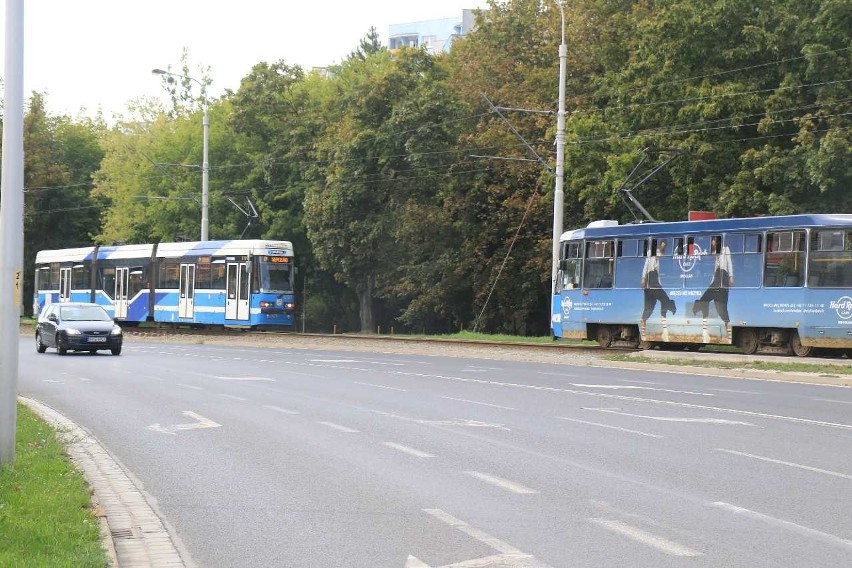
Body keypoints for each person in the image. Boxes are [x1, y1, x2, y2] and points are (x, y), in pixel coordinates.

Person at [693, 236, 733, 338]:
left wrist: (731, 277)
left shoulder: (725, 249)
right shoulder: (716, 253)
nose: (712, 243)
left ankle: (729, 335)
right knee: (707, 302)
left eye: (713, 241)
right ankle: (705, 331)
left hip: (723, 276)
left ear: (717, 241)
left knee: (722, 309)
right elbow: (715, 269)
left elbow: (729, 263)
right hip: (716, 278)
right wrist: (711, 283)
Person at [640, 239, 676, 336]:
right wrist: (643, 278)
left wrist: (660, 284)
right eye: (662, 246)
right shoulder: (651, 254)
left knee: (660, 301)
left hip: (655, 282)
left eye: (664, 247)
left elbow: (658, 273)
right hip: (650, 281)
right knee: (650, 307)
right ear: (659, 246)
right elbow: (646, 267)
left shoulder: (661, 257)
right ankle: (643, 324)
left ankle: (669, 309)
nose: (663, 248)